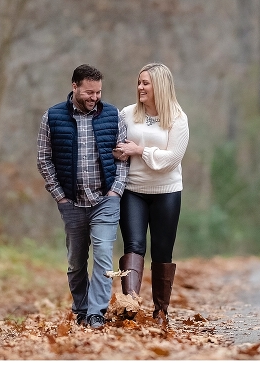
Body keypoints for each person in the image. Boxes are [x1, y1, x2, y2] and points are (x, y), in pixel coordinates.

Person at [37, 64, 129, 330]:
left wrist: (116, 191)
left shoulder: (113, 115)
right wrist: (60, 197)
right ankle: (81, 309)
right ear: (74, 86)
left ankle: (96, 313)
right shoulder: (52, 117)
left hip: (105, 199)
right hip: (72, 202)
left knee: (102, 255)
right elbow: (44, 160)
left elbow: (123, 157)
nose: (94, 97)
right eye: (89, 92)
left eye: (98, 92)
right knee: (76, 261)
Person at [112, 62, 189, 328]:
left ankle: (160, 311)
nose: (140, 87)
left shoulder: (178, 118)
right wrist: (120, 152)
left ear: (160, 86)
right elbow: (118, 146)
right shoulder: (127, 114)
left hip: (166, 192)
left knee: (162, 252)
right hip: (133, 190)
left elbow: (172, 159)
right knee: (133, 246)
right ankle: (129, 304)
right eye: (139, 82)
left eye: (145, 83)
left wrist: (139, 151)